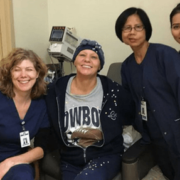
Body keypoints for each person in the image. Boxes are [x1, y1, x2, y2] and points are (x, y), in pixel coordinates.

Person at [45, 39, 134, 180]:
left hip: (105, 156)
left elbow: (133, 115)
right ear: (74, 60)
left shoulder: (113, 91)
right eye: (82, 55)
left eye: (94, 57)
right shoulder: (55, 91)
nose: (87, 60)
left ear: (100, 65)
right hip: (70, 158)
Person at [115, 7, 180, 180]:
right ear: (120, 33)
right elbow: (129, 103)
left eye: (138, 27)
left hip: (175, 129)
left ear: (147, 30)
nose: (132, 32)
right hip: (152, 136)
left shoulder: (166, 55)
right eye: (126, 28)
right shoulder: (127, 66)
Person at [0, 48, 50, 180]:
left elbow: (41, 147)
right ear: (9, 73)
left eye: (29, 69)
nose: (23, 75)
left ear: (37, 73)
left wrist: (10, 162)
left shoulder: (41, 104)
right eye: (17, 69)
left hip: (17, 161)